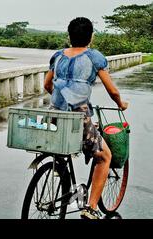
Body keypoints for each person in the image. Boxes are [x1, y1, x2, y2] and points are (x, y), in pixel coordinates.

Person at [43, 17, 129, 220]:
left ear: (69, 36)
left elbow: (47, 85)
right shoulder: (94, 56)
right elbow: (112, 90)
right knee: (104, 156)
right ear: (91, 37)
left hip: (54, 115)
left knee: (67, 144)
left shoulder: (58, 56)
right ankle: (90, 208)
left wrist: (61, 99)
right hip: (79, 116)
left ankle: (59, 167)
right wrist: (121, 104)